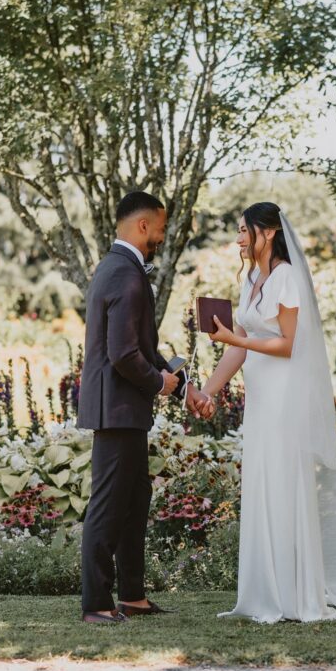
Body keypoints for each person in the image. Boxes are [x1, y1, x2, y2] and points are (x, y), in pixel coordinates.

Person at [198, 202, 336, 623]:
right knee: (263, 482)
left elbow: (287, 345)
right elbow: (237, 346)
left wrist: (236, 340)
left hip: (284, 397)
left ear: (268, 232)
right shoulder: (252, 279)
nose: (238, 238)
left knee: (283, 482)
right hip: (260, 400)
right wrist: (207, 391)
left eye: (244, 230)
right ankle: (265, 593)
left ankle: (293, 594)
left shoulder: (286, 277)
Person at [76, 191, 209, 624]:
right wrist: (159, 383)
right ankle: (96, 603)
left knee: (134, 504)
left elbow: (144, 349)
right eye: (161, 228)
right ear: (143, 225)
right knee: (109, 506)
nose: (163, 237)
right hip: (116, 410)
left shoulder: (117, 268)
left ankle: (132, 595)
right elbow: (124, 355)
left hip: (124, 409)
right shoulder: (124, 274)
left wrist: (181, 385)